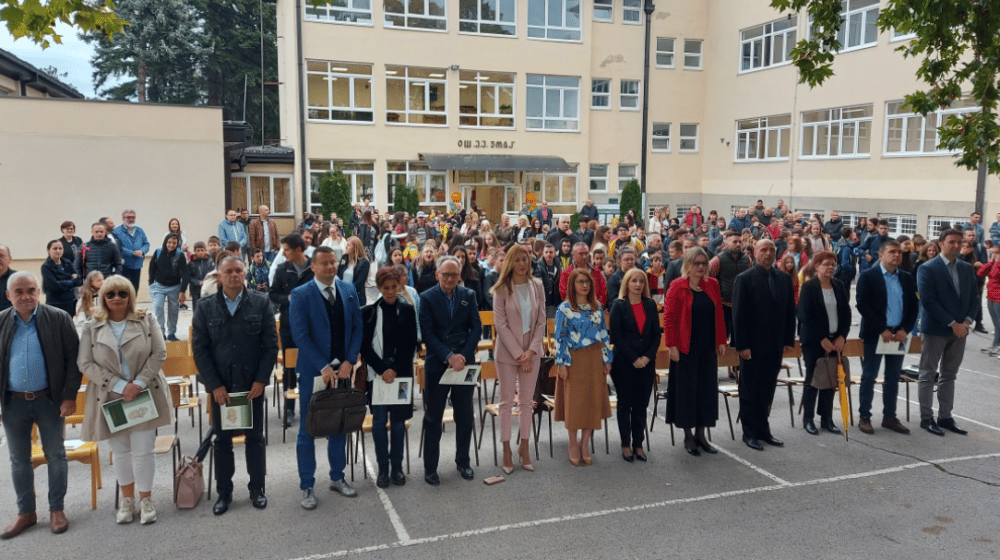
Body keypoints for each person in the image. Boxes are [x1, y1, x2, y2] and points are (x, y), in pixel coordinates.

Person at [78, 275, 169, 525]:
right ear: (103, 297)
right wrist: (119, 386)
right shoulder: (91, 326)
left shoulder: (146, 319)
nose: (116, 298)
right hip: (111, 396)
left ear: (130, 296)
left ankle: (146, 499)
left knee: (144, 450)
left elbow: (159, 353)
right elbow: (84, 363)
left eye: (122, 293)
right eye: (110, 294)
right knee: (120, 452)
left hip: (143, 393)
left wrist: (137, 384)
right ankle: (127, 500)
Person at [192, 255, 277, 515]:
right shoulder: (205, 307)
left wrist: (261, 380)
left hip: (252, 387)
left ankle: (257, 489)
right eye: (228, 271)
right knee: (223, 441)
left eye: (238, 270)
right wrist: (214, 385)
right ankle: (224, 493)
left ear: (245, 274)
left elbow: (270, 346)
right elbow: (200, 350)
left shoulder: (261, 303)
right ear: (219, 276)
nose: (234, 275)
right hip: (223, 389)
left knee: (255, 439)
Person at [0, 272, 80, 538]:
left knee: (55, 455)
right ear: (8, 295)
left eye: (31, 290)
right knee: (18, 461)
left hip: (50, 402)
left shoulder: (59, 318)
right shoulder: (1, 322)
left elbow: (73, 361)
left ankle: (57, 510)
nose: (26, 296)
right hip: (13, 404)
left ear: (39, 292)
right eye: (19, 292)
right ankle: (26, 513)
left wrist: (69, 396)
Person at [289, 246, 364, 508]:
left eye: (333, 262)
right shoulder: (300, 294)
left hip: (342, 371)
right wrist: (323, 366)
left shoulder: (348, 289)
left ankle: (337, 477)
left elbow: (357, 328)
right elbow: (300, 335)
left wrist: (350, 361)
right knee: (308, 429)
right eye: (325, 263)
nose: (331, 267)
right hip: (314, 372)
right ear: (313, 267)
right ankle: (307, 486)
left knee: (339, 424)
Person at [419, 256, 481, 484]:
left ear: (459, 276)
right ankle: (430, 468)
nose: (449, 279)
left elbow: (476, 328)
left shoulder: (468, 295)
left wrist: (462, 356)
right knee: (433, 417)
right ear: (437, 275)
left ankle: (463, 462)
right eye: (445, 274)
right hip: (438, 364)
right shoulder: (426, 298)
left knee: (464, 415)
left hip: (464, 363)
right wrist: (448, 356)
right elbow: (427, 333)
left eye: (454, 275)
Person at [732, 239, 796, 451]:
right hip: (752, 346)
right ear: (755, 253)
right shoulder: (745, 279)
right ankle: (749, 433)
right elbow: (738, 315)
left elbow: (789, 312)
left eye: (771, 250)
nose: (768, 253)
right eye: (763, 250)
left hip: (775, 345)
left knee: (767, 389)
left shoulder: (783, 278)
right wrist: (742, 345)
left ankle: (763, 429)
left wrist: (788, 340)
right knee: (749, 390)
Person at [916, 229, 979, 436]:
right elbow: (929, 301)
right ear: (941, 244)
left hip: (960, 331)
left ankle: (945, 416)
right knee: (927, 374)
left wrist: (967, 321)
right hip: (935, 329)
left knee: (949, 375)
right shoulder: (927, 268)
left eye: (959, 242)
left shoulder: (966, 268)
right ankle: (926, 418)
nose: (956, 246)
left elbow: (974, 298)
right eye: (951, 242)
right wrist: (952, 323)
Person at [663, 248, 726, 456]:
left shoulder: (712, 285)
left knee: (706, 391)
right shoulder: (677, 285)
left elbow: (718, 314)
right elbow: (669, 318)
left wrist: (721, 340)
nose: (700, 267)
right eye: (696, 263)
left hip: (708, 348)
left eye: (703, 263)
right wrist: (671, 345)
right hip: (685, 348)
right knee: (687, 393)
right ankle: (688, 435)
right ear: (688, 264)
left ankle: (701, 434)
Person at [490, 244, 545, 474]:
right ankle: (506, 449)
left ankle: (524, 447)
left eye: (525, 259)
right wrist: (519, 355)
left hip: (532, 353)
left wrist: (530, 352)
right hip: (507, 353)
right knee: (505, 402)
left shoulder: (537, 285)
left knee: (526, 403)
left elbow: (541, 321)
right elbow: (500, 325)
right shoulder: (501, 289)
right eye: (517, 260)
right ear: (510, 263)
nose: (522, 264)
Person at [361, 267, 417, 488]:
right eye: (386, 288)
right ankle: (383, 469)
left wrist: (394, 369)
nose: (391, 291)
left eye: (394, 287)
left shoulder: (407, 310)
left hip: (400, 374)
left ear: (400, 286)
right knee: (378, 422)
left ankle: (397, 467)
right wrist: (382, 369)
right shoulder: (369, 312)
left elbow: (410, 345)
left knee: (398, 422)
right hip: (378, 375)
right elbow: (365, 347)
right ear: (379, 288)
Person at [855, 241, 918, 435]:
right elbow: (862, 304)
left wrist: (905, 330)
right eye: (892, 252)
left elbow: (913, 306)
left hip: (898, 335)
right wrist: (881, 329)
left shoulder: (906, 278)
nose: (897, 255)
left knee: (893, 377)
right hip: (876, 334)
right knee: (869, 376)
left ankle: (889, 417)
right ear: (881, 255)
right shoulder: (868, 276)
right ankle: (865, 416)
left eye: (899, 252)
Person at [553, 269, 612, 466]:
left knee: (593, 401)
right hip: (574, 359)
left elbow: (603, 334)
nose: (584, 285)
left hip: (595, 358)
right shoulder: (564, 308)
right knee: (574, 404)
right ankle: (572, 444)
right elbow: (559, 337)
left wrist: (607, 359)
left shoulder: (597, 307)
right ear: (572, 285)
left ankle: (584, 444)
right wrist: (561, 363)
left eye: (587, 282)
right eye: (580, 282)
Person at [796, 251, 852, 435]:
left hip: (836, 341)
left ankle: (826, 418)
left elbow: (846, 313)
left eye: (833, 265)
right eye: (826, 264)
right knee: (813, 379)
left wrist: (842, 336)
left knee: (830, 380)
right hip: (814, 341)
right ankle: (808, 418)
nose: (830, 268)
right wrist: (822, 338)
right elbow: (805, 315)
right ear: (817, 266)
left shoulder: (838, 285)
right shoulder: (809, 287)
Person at [609, 268, 662, 462]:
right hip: (624, 363)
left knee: (641, 404)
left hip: (647, 363)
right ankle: (626, 444)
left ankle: (638, 444)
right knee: (625, 405)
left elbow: (656, 335)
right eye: (634, 281)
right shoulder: (618, 305)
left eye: (641, 281)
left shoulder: (650, 304)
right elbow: (616, 336)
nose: (638, 284)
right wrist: (634, 358)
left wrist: (646, 358)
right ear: (627, 283)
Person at [270, 233, 314, 425]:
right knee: (289, 367)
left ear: (298, 249)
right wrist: (287, 299)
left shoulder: (314, 267)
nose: (283, 253)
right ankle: (289, 408)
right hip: (289, 325)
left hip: (312, 326)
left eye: (286, 249)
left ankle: (311, 407)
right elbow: (273, 294)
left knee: (311, 366)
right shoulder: (282, 269)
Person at [708, 231, 751, 344]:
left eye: (740, 242)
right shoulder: (717, 260)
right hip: (723, 304)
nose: (738, 244)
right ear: (726, 242)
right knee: (722, 338)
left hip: (741, 304)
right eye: (735, 242)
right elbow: (709, 280)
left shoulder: (747, 260)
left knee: (739, 338)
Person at [147, 234, 189, 341]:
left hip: (174, 287)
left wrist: (182, 291)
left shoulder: (180, 254)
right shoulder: (158, 251)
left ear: (177, 244)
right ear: (165, 242)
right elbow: (152, 267)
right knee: (158, 307)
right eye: (169, 242)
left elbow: (185, 273)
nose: (171, 245)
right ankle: (160, 332)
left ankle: (171, 333)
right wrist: (151, 282)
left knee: (173, 311)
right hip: (158, 285)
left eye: (174, 243)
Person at [558, 242, 608, 307]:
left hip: (595, 308)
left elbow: (603, 291)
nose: (584, 256)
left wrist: (597, 306)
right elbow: (564, 294)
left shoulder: (596, 271)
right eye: (581, 254)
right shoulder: (566, 273)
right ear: (573, 255)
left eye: (586, 253)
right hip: (574, 309)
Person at [112, 210, 150, 291]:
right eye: (128, 217)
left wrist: (142, 251)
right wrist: (132, 253)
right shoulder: (116, 231)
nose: (131, 219)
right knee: (125, 289)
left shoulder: (140, 230)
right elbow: (117, 247)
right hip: (124, 265)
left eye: (133, 217)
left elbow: (146, 244)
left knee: (135, 289)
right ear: (123, 218)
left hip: (137, 265)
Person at [41, 240, 79, 317]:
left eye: (60, 248)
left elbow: (78, 281)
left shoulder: (67, 263)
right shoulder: (46, 267)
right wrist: (71, 281)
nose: (58, 251)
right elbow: (54, 286)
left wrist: (60, 282)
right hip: (55, 304)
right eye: (55, 248)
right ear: (49, 250)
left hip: (70, 302)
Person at [978, 244, 1000, 355]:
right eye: (993, 253)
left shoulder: (998, 265)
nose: (994, 255)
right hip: (991, 296)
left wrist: (997, 262)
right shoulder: (993, 264)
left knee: (999, 324)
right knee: (996, 324)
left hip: (998, 297)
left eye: (996, 253)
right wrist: (990, 262)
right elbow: (980, 273)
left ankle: (996, 346)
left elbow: (996, 274)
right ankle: (995, 345)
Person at [339, 237, 371, 306]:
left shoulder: (364, 262)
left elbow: (360, 282)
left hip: (356, 297)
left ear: (355, 247)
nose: (346, 247)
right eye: (346, 245)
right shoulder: (344, 258)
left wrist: (346, 290)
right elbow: (339, 273)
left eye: (348, 245)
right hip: (342, 296)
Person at [188, 242, 213, 311]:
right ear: (194, 251)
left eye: (202, 250)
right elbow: (189, 277)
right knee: (197, 309)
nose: (200, 252)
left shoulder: (210, 262)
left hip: (208, 289)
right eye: (198, 251)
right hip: (195, 290)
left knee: (208, 309)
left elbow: (212, 274)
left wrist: (207, 282)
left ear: (205, 250)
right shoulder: (191, 263)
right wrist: (198, 282)